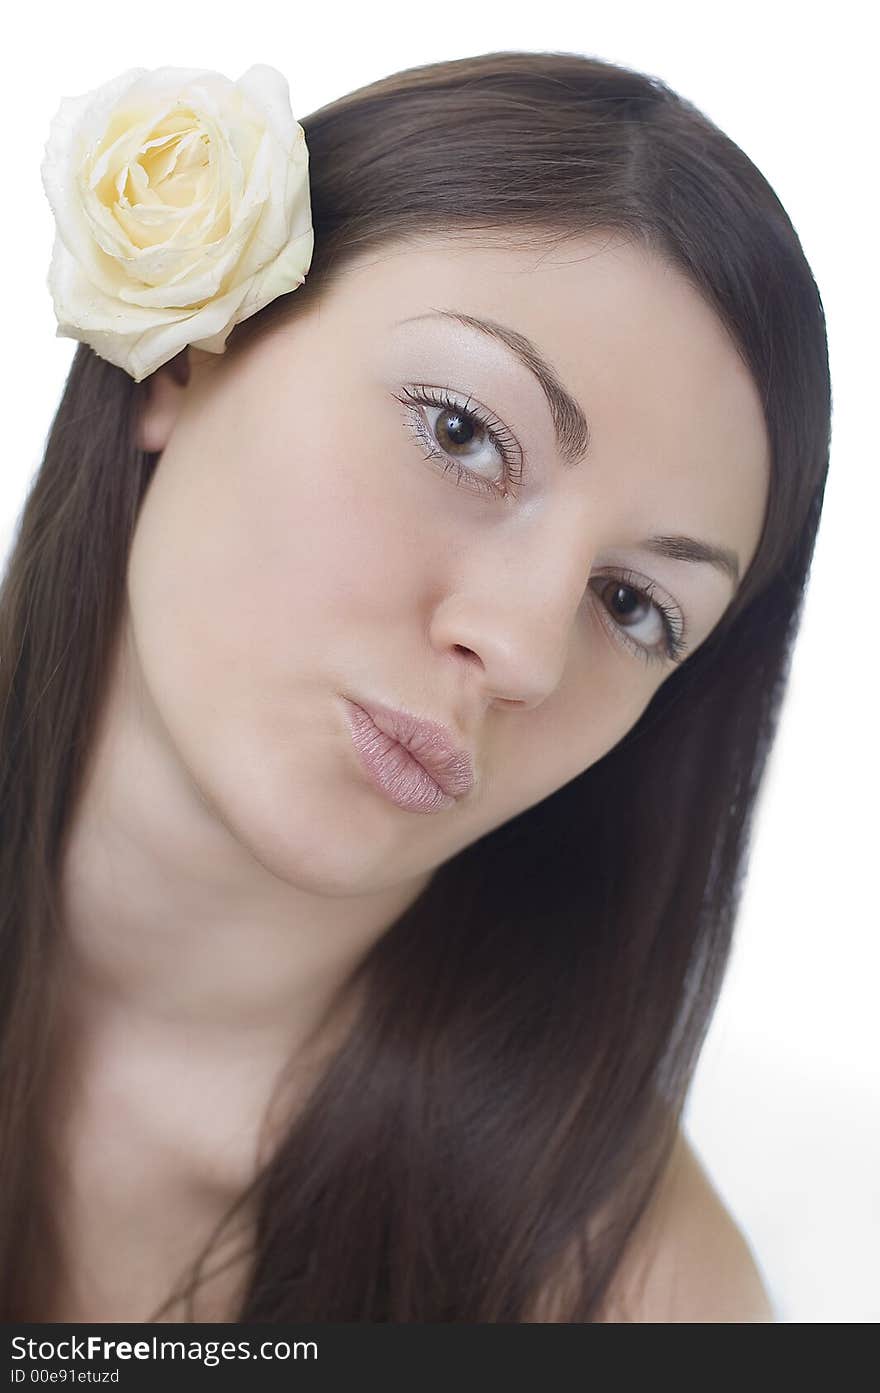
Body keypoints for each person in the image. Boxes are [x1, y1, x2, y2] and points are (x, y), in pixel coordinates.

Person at [0, 49, 831, 1323]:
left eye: (634, 606)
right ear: (186, 353)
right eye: (461, 432)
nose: (524, 649)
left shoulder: (638, 1299)